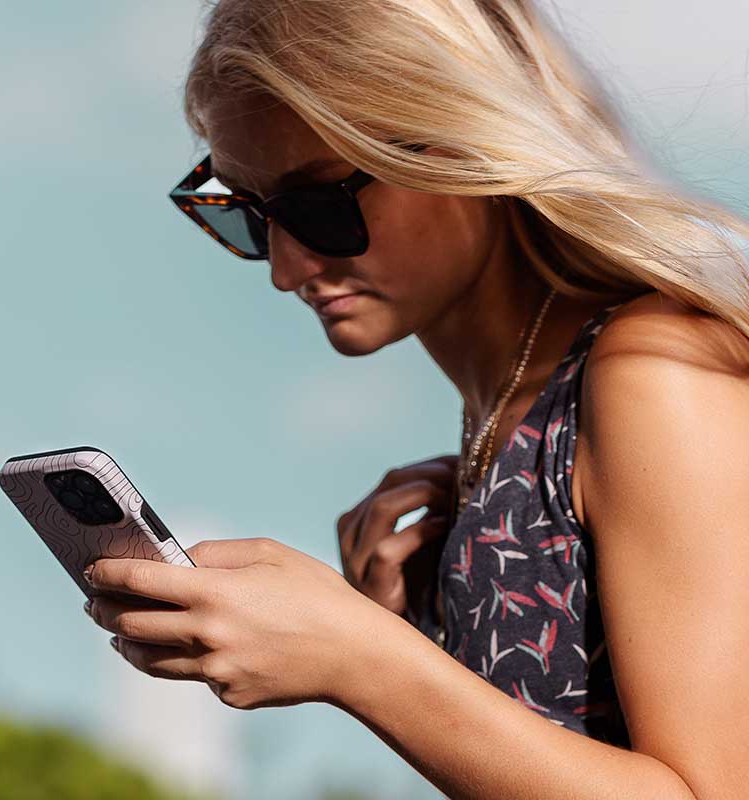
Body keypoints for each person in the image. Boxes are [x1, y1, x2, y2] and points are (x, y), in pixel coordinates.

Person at [83, 1, 749, 798]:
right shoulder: (506, 423)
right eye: (248, 217)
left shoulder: (655, 368)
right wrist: (410, 635)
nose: (286, 270)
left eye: (319, 204)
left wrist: (363, 657)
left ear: (460, 137)